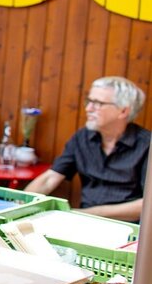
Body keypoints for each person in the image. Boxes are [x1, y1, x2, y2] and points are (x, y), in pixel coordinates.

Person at [25, 76, 149, 221]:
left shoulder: (147, 145)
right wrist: (20, 206)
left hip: (129, 231)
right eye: (89, 101)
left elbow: (146, 205)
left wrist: (83, 214)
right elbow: (50, 178)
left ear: (123, 111)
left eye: (98, 104)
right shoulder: (82, 137)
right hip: (83, 222)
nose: (88, 108)